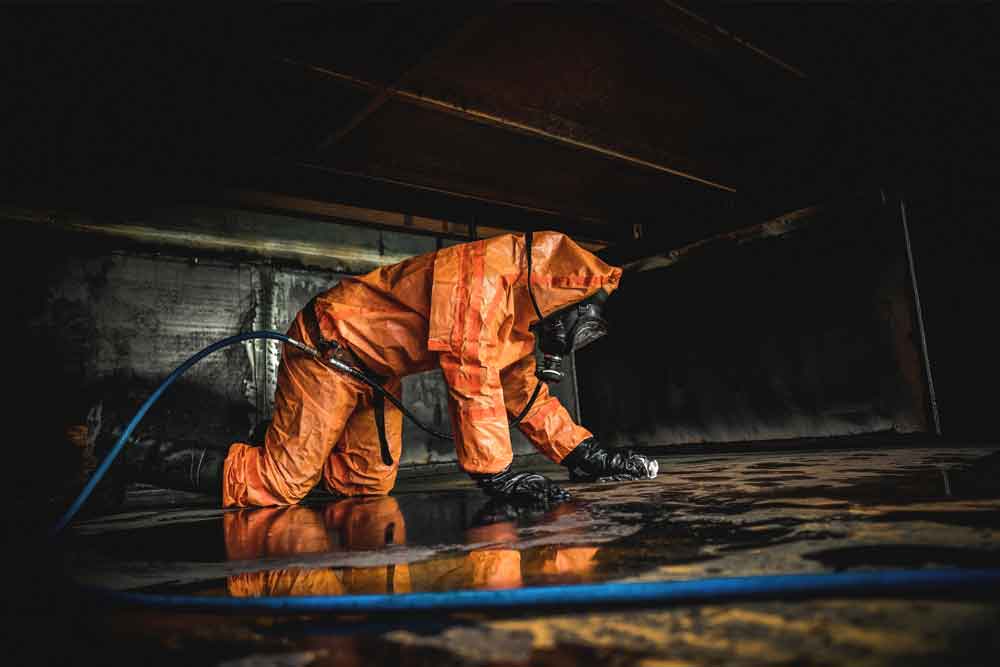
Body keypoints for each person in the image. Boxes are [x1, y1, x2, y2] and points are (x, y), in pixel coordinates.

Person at [104, 231, 657, 508]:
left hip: (374, 372)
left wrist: (583, 451)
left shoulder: (519, 315)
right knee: (278, 484)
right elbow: (471, 375)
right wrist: (498, 475)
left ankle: (281, 440)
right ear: (559, 297)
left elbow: (518, 388)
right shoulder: (485, 276)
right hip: (333, 346)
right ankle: (116, 451)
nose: (573, 338)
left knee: (366, 485)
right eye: (579, 323)